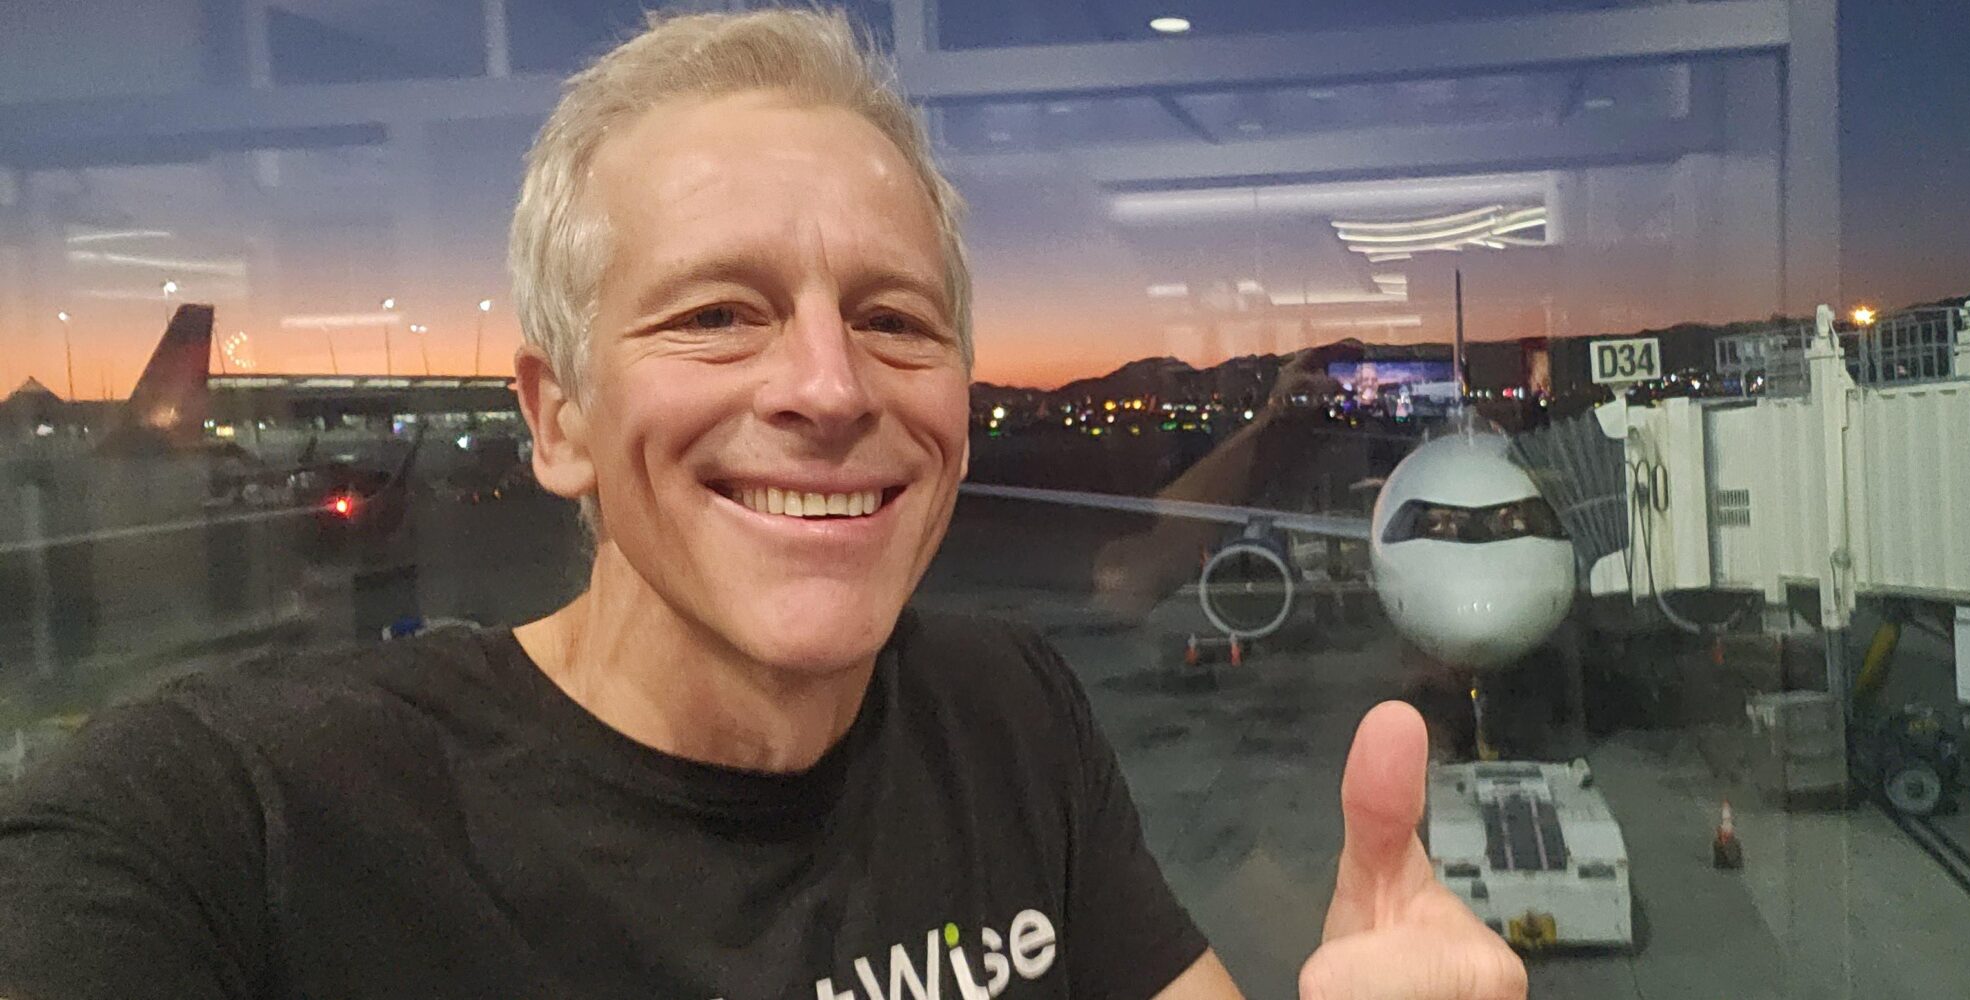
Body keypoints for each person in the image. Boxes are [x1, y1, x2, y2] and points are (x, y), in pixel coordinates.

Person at [0, 9, 1526, 1000]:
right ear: (557, 418)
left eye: (895, 319)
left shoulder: (1008, 720)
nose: (828, 385)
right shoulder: (228, 831)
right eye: (718, 313)